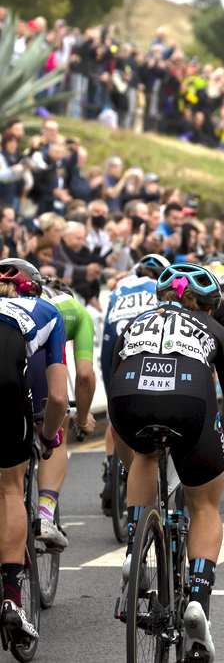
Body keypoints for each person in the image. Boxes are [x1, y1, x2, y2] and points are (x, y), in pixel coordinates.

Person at [109, 263, 224, 660]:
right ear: (209, 308)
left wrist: (131, 463)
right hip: (189, 402)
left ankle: (134, 554)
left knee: (144, 452)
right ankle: (197, 597)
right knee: (205, 506)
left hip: (130, 400)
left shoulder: (133, 324)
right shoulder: (216, 330)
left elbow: (113, 414)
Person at [0, 259, 68, 647]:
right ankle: (12, 598)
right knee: (11, 488)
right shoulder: (46, 310)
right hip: (7, 391)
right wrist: (48, 435)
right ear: (34, 288)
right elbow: (58, 396)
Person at [99, 253, 170, 512]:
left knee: (113, 410)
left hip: (112, 345)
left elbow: (108, 321)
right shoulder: (162, 289)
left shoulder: (120, 286)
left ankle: (110, 472)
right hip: (141, 345)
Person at [29, 276, 96, 550]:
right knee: (56, 431)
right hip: (37, 360)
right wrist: (81, 419)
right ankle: (45, 515)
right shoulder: (76, 311)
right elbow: (84, 376)